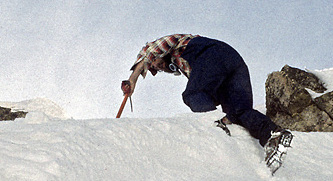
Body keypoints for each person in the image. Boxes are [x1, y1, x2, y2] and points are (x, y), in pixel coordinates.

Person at [123, 34, 292, 172]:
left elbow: (147, 55)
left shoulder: (170, 44)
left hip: (212, 53)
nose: (157, 66)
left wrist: (132, 80)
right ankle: (274, 136)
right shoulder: (189, 67)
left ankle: (214, 128)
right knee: (239, 112)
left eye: (155, 64)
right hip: (234, 63)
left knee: (193, 94)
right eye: (156, 69)